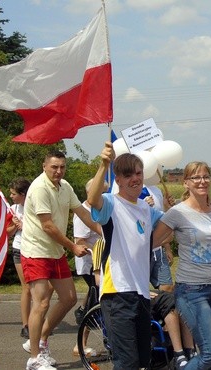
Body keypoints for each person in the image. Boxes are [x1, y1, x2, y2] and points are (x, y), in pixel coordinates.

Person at [87, 142, 165, 370]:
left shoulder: (145, 208)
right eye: (127, 174)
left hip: (140, 292)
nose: (135, 178)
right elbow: (93, 200)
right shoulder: (111, 203)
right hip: (117, 293)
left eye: (138, 173)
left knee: (143, 360)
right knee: (126, 362)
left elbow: (168, 226)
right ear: (118, 179)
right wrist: (103, 164)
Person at [21, 150, 100, 370]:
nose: (58, 171)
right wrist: (73, 246)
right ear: (44, 166)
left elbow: (82, 213)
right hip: (36, 251)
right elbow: (48, 226)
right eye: (54, 166)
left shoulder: (65, 186)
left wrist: (103, 231)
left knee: (69, 298)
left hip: (55, 251)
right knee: (42, 302)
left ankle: (39, 340)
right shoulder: (38, 188)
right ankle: (34, 359)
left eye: (62, 166)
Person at [152, 161, 211, 370]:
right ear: (186, 183)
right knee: (210, 354)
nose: (202, 181)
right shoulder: (177, 212)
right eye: (196, 177)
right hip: (191, 291)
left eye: (206, 176)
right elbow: (152, 242)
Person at [72, 178, 105, 358]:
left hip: (103, 263)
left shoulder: (101, 209)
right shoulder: (82, 213)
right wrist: (98, 252)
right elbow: (80, 241)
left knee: (95, 300)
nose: (105, 196)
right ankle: (80, 345)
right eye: (102, 191)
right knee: (95, 301)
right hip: (91, 264)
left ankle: (83, 309)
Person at [6, 177, 33, 339]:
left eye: (14, 194)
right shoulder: (13, 209)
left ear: (23, 194)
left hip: (35, 249)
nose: (11, 196)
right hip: (19, 249)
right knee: (27, 287)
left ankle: (37, 321)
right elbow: (8, 233)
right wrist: (14, 226)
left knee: (42, 289)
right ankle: (26, 325)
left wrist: (25, 226)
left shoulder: (34, 206)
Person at [144, 185, 175, 292]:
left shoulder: (156, 190)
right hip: (140, 254)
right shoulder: (129, 187)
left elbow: (162, 224)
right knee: (139, 292)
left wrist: (167, 248)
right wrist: (142, 205)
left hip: (158, 251)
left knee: (167, 288)